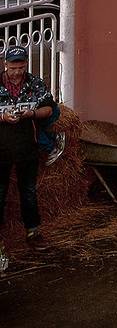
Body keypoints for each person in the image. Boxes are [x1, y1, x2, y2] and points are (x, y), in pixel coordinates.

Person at [0, 46, 55, 253]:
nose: (17, 72)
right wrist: (3, 117)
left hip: (26, 146)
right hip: (1, 148)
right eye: (13, 67)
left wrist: (31, 114)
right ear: (5, 65)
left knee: (29, 191)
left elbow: (49, 108)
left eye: (21, 67)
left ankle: (33, 232)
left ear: (26, 64)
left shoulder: (34, 83)